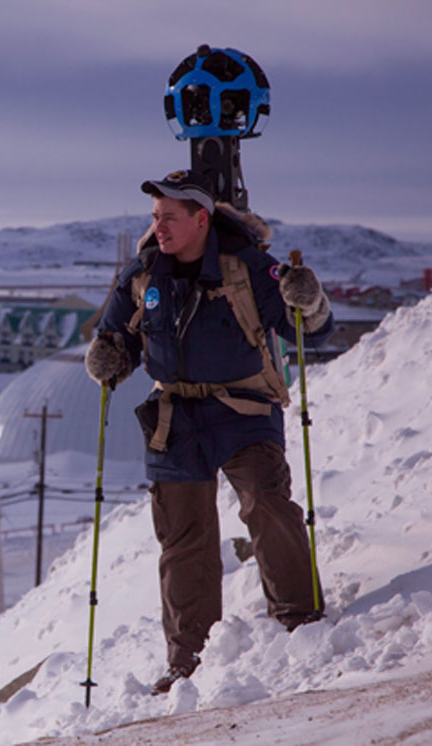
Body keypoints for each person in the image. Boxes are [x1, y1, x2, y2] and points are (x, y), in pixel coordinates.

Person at [85, 169, 332, 694]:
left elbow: (304, 328)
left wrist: (309, 301)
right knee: (182, 538)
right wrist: (108, 358)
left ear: (201, 219)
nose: (159, 227)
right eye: (155, 217)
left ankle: (300, 619)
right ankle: (187, 658)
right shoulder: (144, 275)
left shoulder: (248, 267)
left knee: (266, 502)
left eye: (169, 217)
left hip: (244, 407)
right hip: (175, 416)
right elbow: (117, 340)